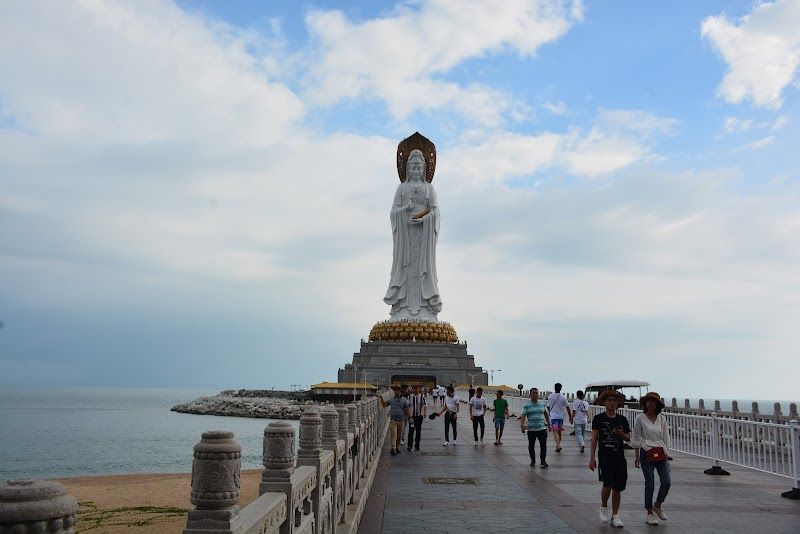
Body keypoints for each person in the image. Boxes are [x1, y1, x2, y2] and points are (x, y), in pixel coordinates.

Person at [384, 146, 441, 322]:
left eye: (419, 167)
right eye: (413, 167)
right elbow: (393, 213)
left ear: (424, 169)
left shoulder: (429, 188)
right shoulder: (402, 188)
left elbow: (436, 213)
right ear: (407, 169)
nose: (416, 171)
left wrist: (426, 219)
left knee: (424, 269)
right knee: (405, 268)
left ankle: (425, 307)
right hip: (406, 237)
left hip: (423, 237)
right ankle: (403, 308)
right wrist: (405, 210)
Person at [590, 389, 631, 528]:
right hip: (604, 457)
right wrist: (592, 458)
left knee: (618, 487)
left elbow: (629, 438)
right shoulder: (599, 418)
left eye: (615, 400)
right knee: (607, 484)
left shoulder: (622, 420)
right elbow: (594, 438)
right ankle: (603, 506)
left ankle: (615, 515)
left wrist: (621, 434)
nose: (612, 403)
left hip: (619, 457)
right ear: (604, 402)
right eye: (609, 400)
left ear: (618, 403)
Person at [632, 392, 671, 525]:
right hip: (645, 451)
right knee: (650, 482)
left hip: (660, 452)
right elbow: (636, 437)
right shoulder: (640, 418)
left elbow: (666, 437)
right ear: (645, 403)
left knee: (666, 481)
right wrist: (637, 455)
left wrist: (667, 454)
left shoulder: (662, 418)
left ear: (658, 404)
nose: (650, 403)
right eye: (648, 401)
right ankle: (649, 512)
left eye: (653, 401)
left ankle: (658, 505)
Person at [520, 387, 551, 468]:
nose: (536, 394)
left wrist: (549, 424)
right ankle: (533, 460)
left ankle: (543, 461)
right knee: (531, 446)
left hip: (542, 428)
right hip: (531, 429)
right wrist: (522, 426)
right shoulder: (527, 405)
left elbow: (546, 414)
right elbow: (523, 415)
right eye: (534, 393)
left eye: (537, 393)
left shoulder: (542, 404)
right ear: (530, 395)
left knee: (543, 446)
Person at [380, 386, 411, 455]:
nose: (396, 392)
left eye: (398, 391)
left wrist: (410, 417)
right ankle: (393, 448)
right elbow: (385, 405)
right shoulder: (391, 400)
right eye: (395, 391)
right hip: (393, 420)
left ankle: (397, 447)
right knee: (394, 434)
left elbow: (407, 410)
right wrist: (381, 399)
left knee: (399, 436)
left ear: (400, 392)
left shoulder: (404, 400)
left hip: (401, 420)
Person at [547, 383, 572, 453]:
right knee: (559, 432)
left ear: (554, 388)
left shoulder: (550, 396)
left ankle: (558, 445)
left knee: (555, 432)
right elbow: (567, 407)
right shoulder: (563, 397)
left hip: (553, 417)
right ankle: (558, 445)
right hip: (560, 417)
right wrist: (570, 416)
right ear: (561, 388)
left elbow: (548, 406)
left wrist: (549, 412)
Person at [407, 384, 427, 451]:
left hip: (419, 417)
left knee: (418, 431)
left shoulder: (422, 397)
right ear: (413, 389)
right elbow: (407, 407)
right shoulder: (410, 397)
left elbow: (425, 405)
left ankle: (417, 445)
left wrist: (424, 413)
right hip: (412, 417)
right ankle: (409, 445)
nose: (416, 389)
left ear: (419, 389)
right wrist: (410, 417)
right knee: (411, 430)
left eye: (417, 388)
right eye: (414, 388)